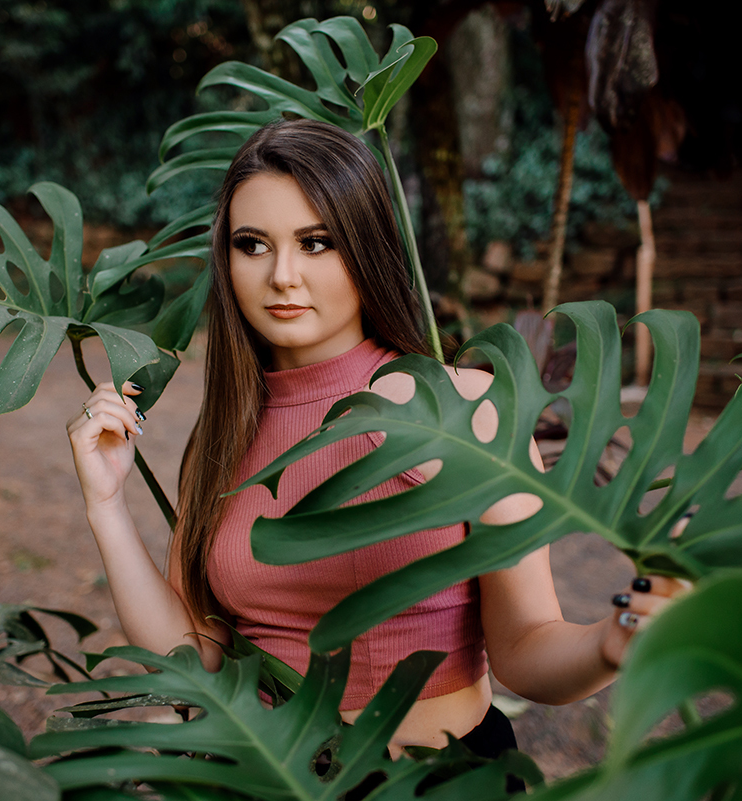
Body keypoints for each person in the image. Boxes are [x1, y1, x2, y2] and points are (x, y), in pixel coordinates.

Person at [66, 118, 688, 765]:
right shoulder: (223, 434)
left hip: (435, 778)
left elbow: (526, 647)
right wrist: (105, 504)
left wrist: (611, 643)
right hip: (268, 778)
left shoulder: (470, 408)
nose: (282, 275)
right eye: (253, 244)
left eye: (317, 242)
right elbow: (193, 655)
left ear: (365, 248)